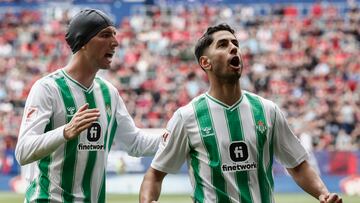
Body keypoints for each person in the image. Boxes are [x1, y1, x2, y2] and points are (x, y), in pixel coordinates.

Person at [140, 23, 342, 203]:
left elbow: (297, 165)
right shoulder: (187, 117)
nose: (233, 47)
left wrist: (323, 194)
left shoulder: (267, 110)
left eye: (235, 43)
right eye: (223, 44)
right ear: (205, 63)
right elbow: (155, 175)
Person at [15, 9, 161, 203]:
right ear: (83, 42)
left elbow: (135, 143)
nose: (115, 42)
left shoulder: (109, 93)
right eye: (105, 35)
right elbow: (23, 151)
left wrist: (181, 136)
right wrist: (65, 131)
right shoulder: (48, 88)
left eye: (115, 35)